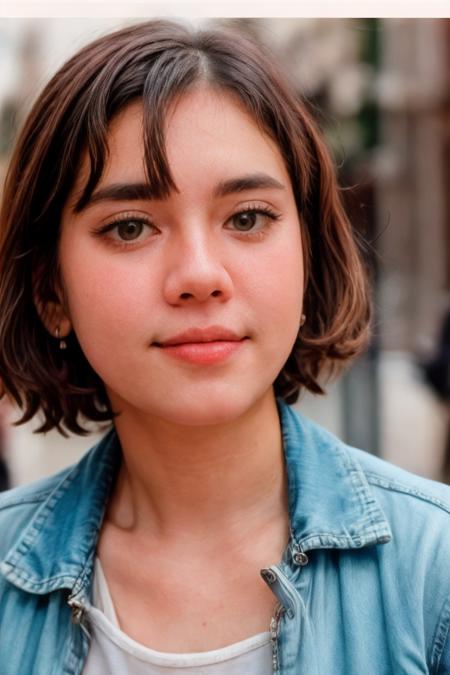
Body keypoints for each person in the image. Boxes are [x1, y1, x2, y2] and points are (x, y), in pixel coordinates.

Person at [0, 20, 449, 675]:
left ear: (307, 250)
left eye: (247, 218)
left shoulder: (433, 569)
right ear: (50, 292)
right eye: (130, 226)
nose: (200, 275)